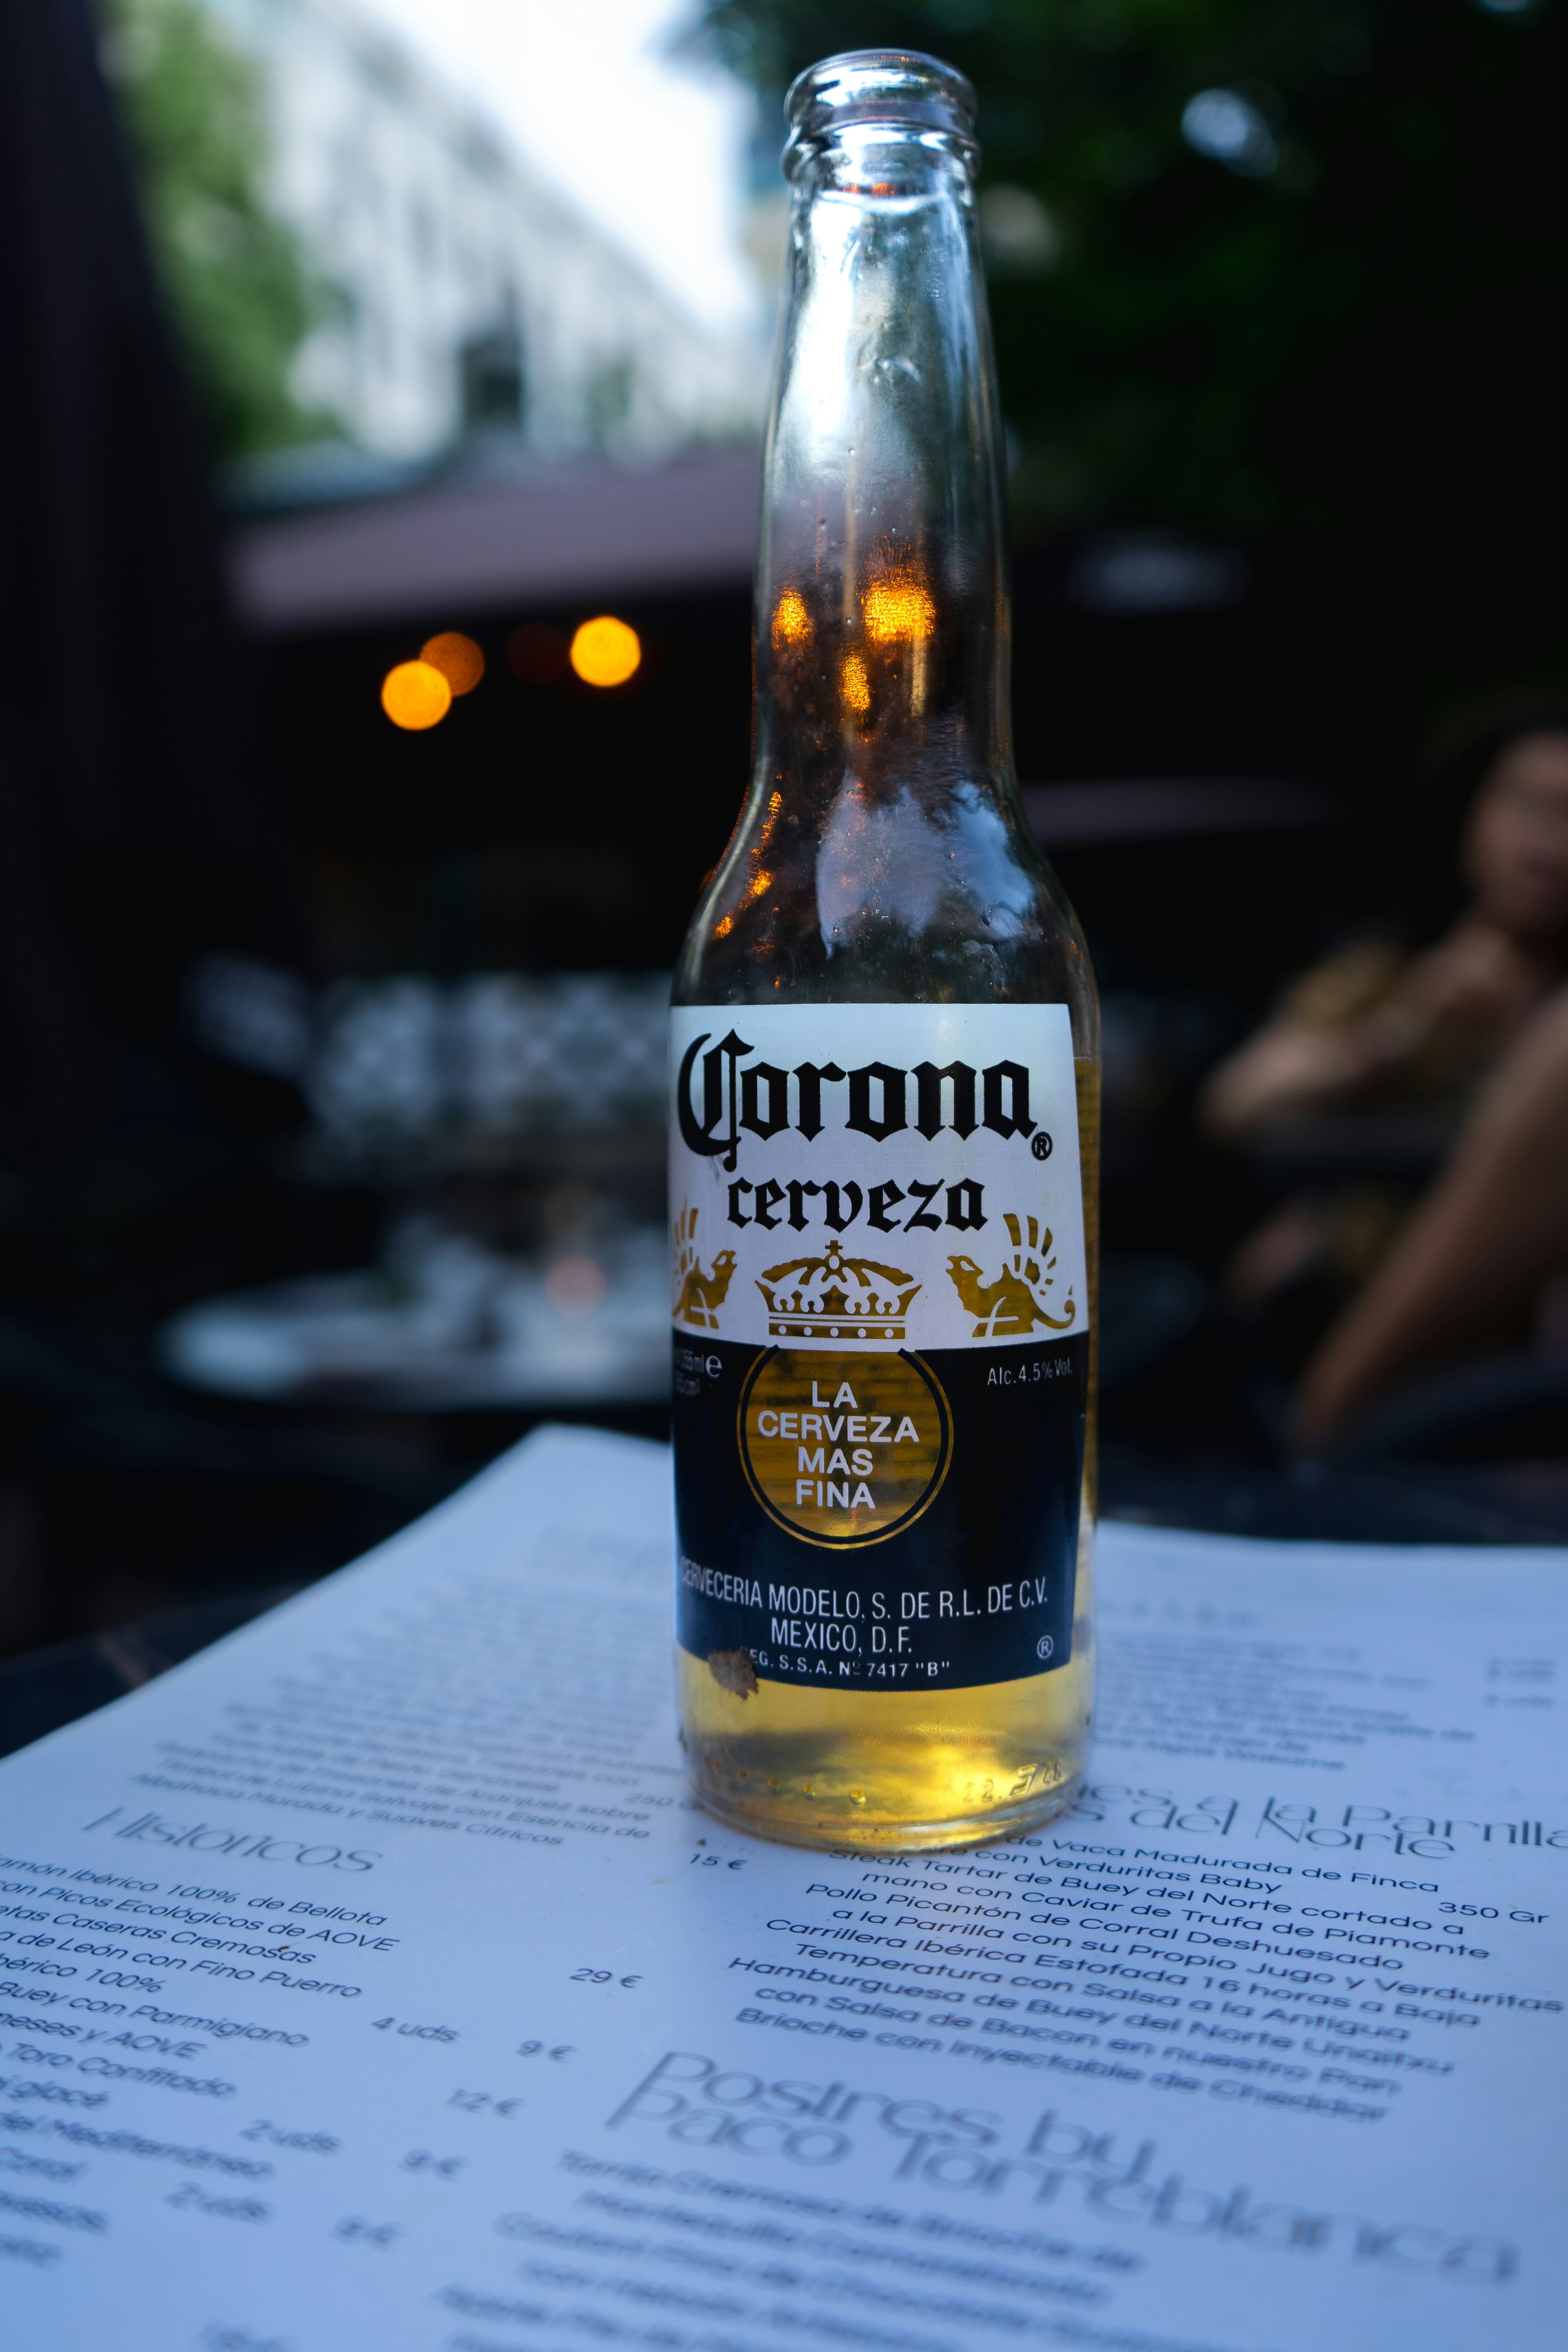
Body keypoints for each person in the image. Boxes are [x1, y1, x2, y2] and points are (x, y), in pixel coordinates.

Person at [1197, 705, 1568, 1321]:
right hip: (1379, 1295)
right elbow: (1236, 1101)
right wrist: (1402, 1034)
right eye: (1531, 806)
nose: (1551, 840)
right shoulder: (1390, 972)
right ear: (1471, 815)